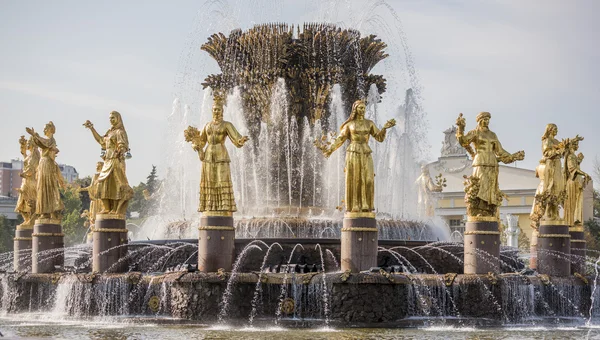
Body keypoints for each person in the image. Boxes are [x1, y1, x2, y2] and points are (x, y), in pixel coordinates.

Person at [316, 100, 395, 213]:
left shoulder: (370, 123)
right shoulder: (349, 124)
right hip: (353, 152)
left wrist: (384, 128)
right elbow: (340, 139)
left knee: (368, 179)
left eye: (364, 108)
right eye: (360, 108)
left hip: (366, 152)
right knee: (355, 178)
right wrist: (330, 150)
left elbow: (379, 138)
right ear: (355, 109)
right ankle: (355, 206)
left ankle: (366, 205)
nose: (362, 110)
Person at [184, 96, 249, 213]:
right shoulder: (207, 125)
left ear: (222, 111)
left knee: (221, 179)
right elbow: (202, 141)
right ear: (212, 110)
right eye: (214, 109)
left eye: (219, 109)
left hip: (221, 154)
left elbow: (236, 137)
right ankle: (209, 205)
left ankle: (225, 206)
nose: (216, 111)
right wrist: (196, 145)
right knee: (210, 180)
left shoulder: (226, 125)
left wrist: (240, 141)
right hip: (208, 155)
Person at [456, 112, 524, 217]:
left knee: (491, 187)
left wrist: (513, 156)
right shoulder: (475, 133)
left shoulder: (492, 135)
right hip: (480, 163)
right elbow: (463, 141)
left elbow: (500, 151)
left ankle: (488, 211)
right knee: (481, 186)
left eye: (488, 119)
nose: (486, 121)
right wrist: (460, 128)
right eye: (484, 119)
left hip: (492, 164)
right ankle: (478, 210)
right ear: (479, 120)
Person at [83, 111, 133, 216]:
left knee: (116, 184)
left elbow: (123, 145)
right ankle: (106, 207)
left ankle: (115, 209)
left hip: (115, 161)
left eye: (113, 118)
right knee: (102, 183)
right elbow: (101, 141)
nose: (111, 120)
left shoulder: (119, 132)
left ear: (118, 119)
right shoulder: (109, 132)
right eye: (110, 118)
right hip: (107, 161)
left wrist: (120, 150)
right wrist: (92, 128)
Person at [25, 122, 65, 220]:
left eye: (45, 129)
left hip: (47, 164)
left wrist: (34, 135)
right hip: (43, 164)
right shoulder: (47, 140)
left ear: (50, 130)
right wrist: (34, 136)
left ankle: (48, 211)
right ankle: (45, 211)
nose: (44, 131)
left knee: (46, 187)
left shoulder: (51, 140)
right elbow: (40, 142)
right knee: (42, 187)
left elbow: (43, 143)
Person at [563, 137, 590, 226]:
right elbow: (572, 169)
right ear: (572, 145)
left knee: (578, 201)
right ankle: (571, 221)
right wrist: (584, 173)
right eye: (576, 144)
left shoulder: (573, 156)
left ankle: (576, 219)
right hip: (573, 181)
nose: (577, 146)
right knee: (573, 202)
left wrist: (579, 161)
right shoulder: (570, 156)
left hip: (577, 181)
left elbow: (575, 166)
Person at [14, 136, 40, 227]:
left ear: (33, 144)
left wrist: (24, 174)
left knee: (31, 201)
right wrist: (23, 146)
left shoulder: (35, 154)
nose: (28, 145)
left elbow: (32, 169)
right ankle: (27, 220)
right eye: (27, 143)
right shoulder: (30, 155)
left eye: (29, 143)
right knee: (21, 202)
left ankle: (31, 220)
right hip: (26, 181)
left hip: (31, 181)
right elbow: (25, 158)